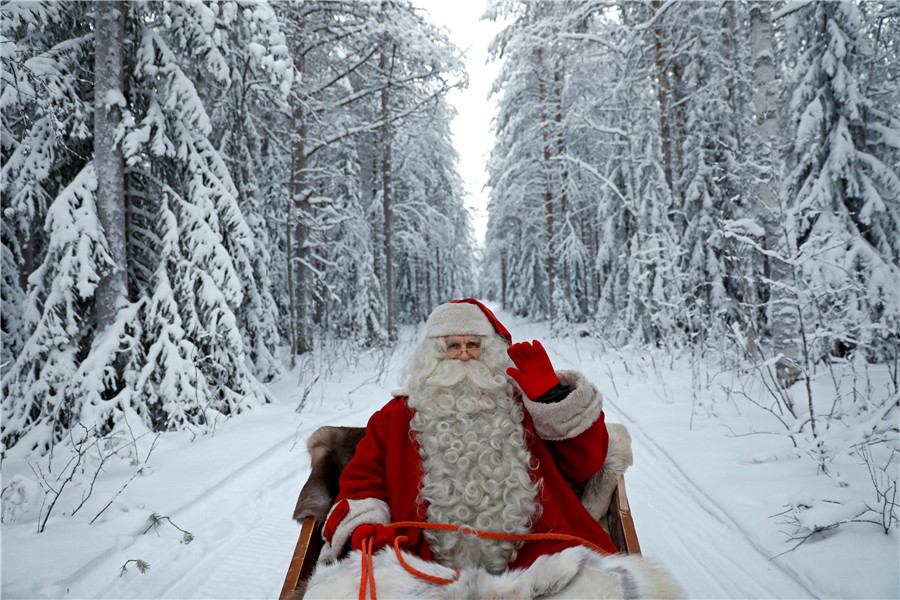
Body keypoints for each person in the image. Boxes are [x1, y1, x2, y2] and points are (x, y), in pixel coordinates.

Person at [306, 299, 683, 599]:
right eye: (453, 346)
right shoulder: (394, 417)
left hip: (539, 562)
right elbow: (361, 484)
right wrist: (371, 528)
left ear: (492, 353)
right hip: (423, 566)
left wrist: (552, 398)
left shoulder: (524, 408)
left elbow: (587, 462)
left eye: (475, 345)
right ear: (433, 355)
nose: (465, 355)